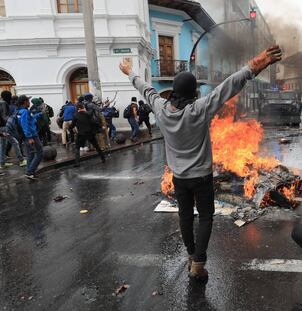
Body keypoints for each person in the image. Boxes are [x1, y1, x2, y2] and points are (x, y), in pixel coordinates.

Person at [120, 45, 282, 281]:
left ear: (174, 91)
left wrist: (129, 72)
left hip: (179, 179)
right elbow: (229, 86)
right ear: (192, 91)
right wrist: (256, 64)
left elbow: (146, 89)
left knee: (185, 216)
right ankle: (198, 262)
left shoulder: (162, 110)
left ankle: (191, 254)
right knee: (206, 216)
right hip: (202, 178)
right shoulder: (199, 109)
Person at [71, 103, 105, 167]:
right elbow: (94, 122)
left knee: (77, 147)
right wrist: (101, 126)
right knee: (96, 146)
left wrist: (71, 128)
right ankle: (103, 158)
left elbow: (72, 125)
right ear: (82, 108)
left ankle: (77, 163)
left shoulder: (75, 115)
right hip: (90, 133)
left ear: (78, 109)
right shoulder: (88, 114)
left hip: (81, 134)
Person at [18, 95, 43, 179]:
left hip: (27, 135)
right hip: (31, 135)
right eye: (28, 101)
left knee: (31, 154)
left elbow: (31, 119)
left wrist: (40, 114)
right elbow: (24, 124)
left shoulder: (20, 111)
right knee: (40, 153)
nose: (29, 102)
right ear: (25, 102)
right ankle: (30, 171)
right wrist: (29, 137)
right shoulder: (25, 111)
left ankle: (30, 171)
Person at [4, 97, 28, 167]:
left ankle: (6, 155)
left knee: (14, 142)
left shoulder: (11, 107)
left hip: (11, 127)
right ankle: (21, 159)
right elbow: (19, 120)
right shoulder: (17, 109)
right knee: (17, 142)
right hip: (15, 127)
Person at [0, 90, 13, 168]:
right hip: (3, 126)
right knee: (14, 142)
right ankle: (21, 159)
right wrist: (12, 120)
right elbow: (5, 116)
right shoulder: (3, 103)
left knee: (3, 145)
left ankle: (2, 163)